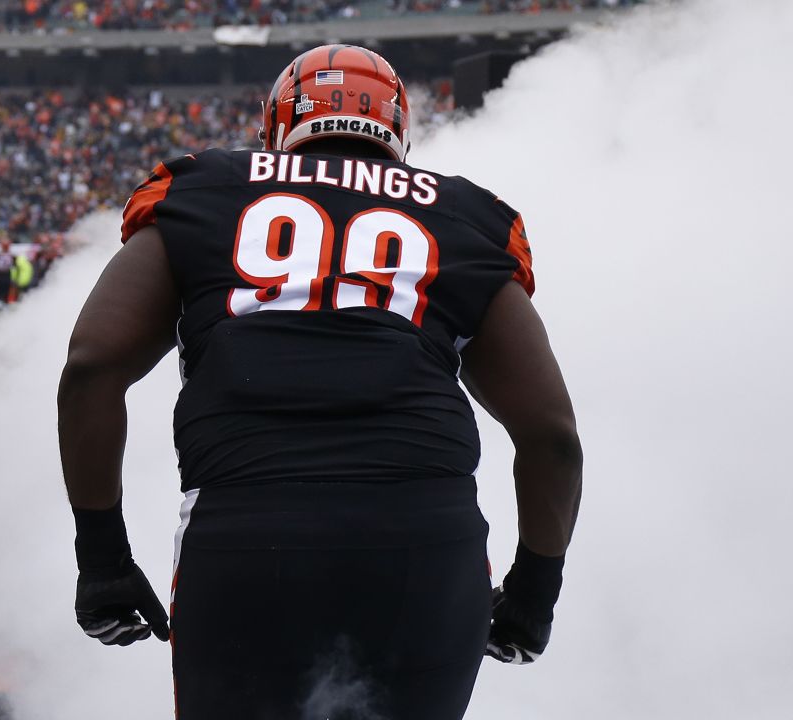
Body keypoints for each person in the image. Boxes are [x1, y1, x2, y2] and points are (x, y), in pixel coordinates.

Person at [58, 45, 583, 720]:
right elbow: (551, 435)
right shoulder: (466, 217)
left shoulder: (204, 188)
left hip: (250, 532)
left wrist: (103, 558)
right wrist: (535, 590)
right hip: (424, 542)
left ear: (276, 128)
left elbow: (92, 365)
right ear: (398, 133)